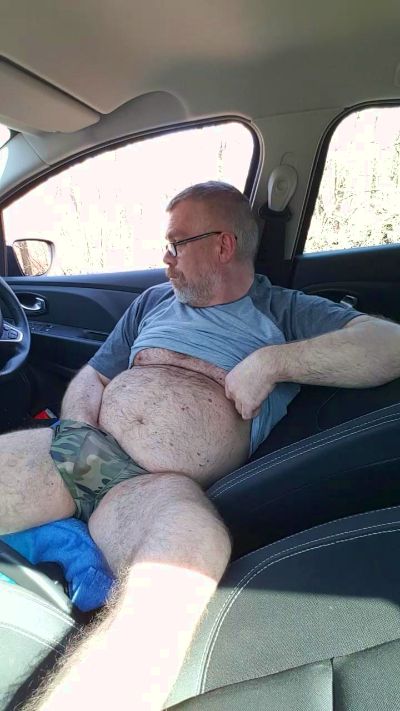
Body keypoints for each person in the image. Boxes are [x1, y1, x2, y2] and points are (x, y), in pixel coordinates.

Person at [2, 181, 400, 710]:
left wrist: (273, 363)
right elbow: (93, 377)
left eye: (176, 244)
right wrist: (76, 431)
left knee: (184, 570)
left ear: (223, 245)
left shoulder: (283, 312)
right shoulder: (152, 301)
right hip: (81, 452)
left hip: (154, 492)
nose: (165, 260)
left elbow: (390, 345)